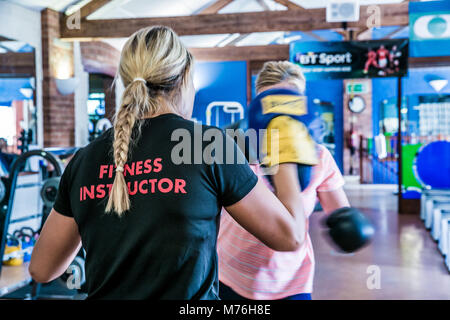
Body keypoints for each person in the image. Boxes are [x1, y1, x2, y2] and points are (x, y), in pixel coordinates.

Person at [29, 26, 306, 300]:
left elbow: (42, 270)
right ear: (185, 78)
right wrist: (285, 152)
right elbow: (290, 236)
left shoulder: (84, 159)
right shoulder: (206, 144)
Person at [217, 61, 350, 300]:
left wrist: (346, 223)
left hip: (290, 283)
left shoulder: (319, 156)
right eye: (272, 105)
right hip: (231, 277)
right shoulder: (231, 149)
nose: (280, 116)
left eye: (289, 102)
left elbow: (340, 213)